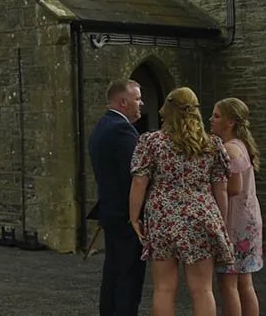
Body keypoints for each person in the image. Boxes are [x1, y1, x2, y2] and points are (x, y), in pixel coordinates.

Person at [128, 87, 233, 316]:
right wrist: (220, 222)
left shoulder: (152, 142)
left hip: (163, 216)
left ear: (168, 109)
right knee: (203, 289)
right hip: (202, 215)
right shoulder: (212, 144)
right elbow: (221, 188)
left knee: (164, 288)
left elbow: (139, 183)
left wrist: (134, 217)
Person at [88, 79, 146, 316]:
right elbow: (136, 172)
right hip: (125, 215)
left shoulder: (103, 126)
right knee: (127, 278)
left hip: (111, 211)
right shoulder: (121, 130)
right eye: (137, 99)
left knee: (113, 274)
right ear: (123, 101)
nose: (141, 103)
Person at [210, 98, 263, 316]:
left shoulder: (228, 149)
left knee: (228, 284)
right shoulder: (242, 145)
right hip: (248, 219)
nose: (211, 120)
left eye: (217, 116)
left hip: (234, 221)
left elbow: (233, 187)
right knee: (245, 282)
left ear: (230, 122)